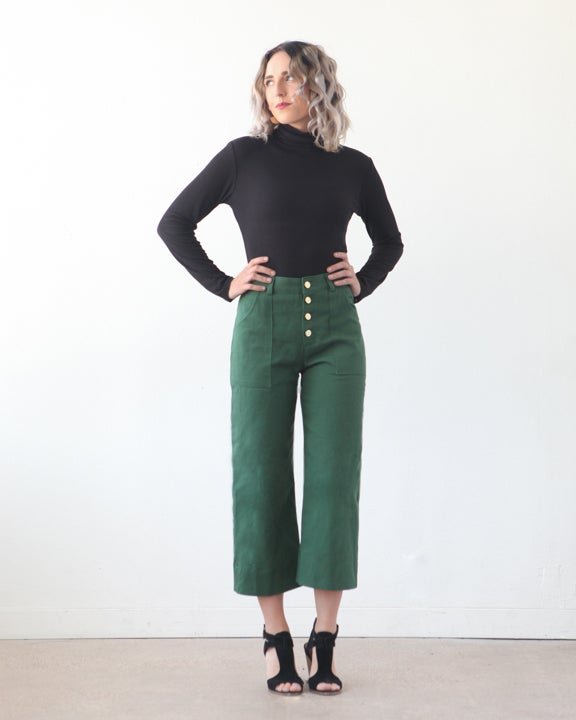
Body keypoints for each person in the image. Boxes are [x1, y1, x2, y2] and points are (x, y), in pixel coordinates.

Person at [156, 40, 404, 696]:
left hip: (336, 331)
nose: (279, 89)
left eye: (292, 77)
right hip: (261, 322)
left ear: (318, 85)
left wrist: (362, 281)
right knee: (260, 475)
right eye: (270, 80)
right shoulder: (243, 157)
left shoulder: (354, 166)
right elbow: (174, 222)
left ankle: (325, 637)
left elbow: (390, 241)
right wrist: (224, 283)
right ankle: (275, 636)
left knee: (333, 479)